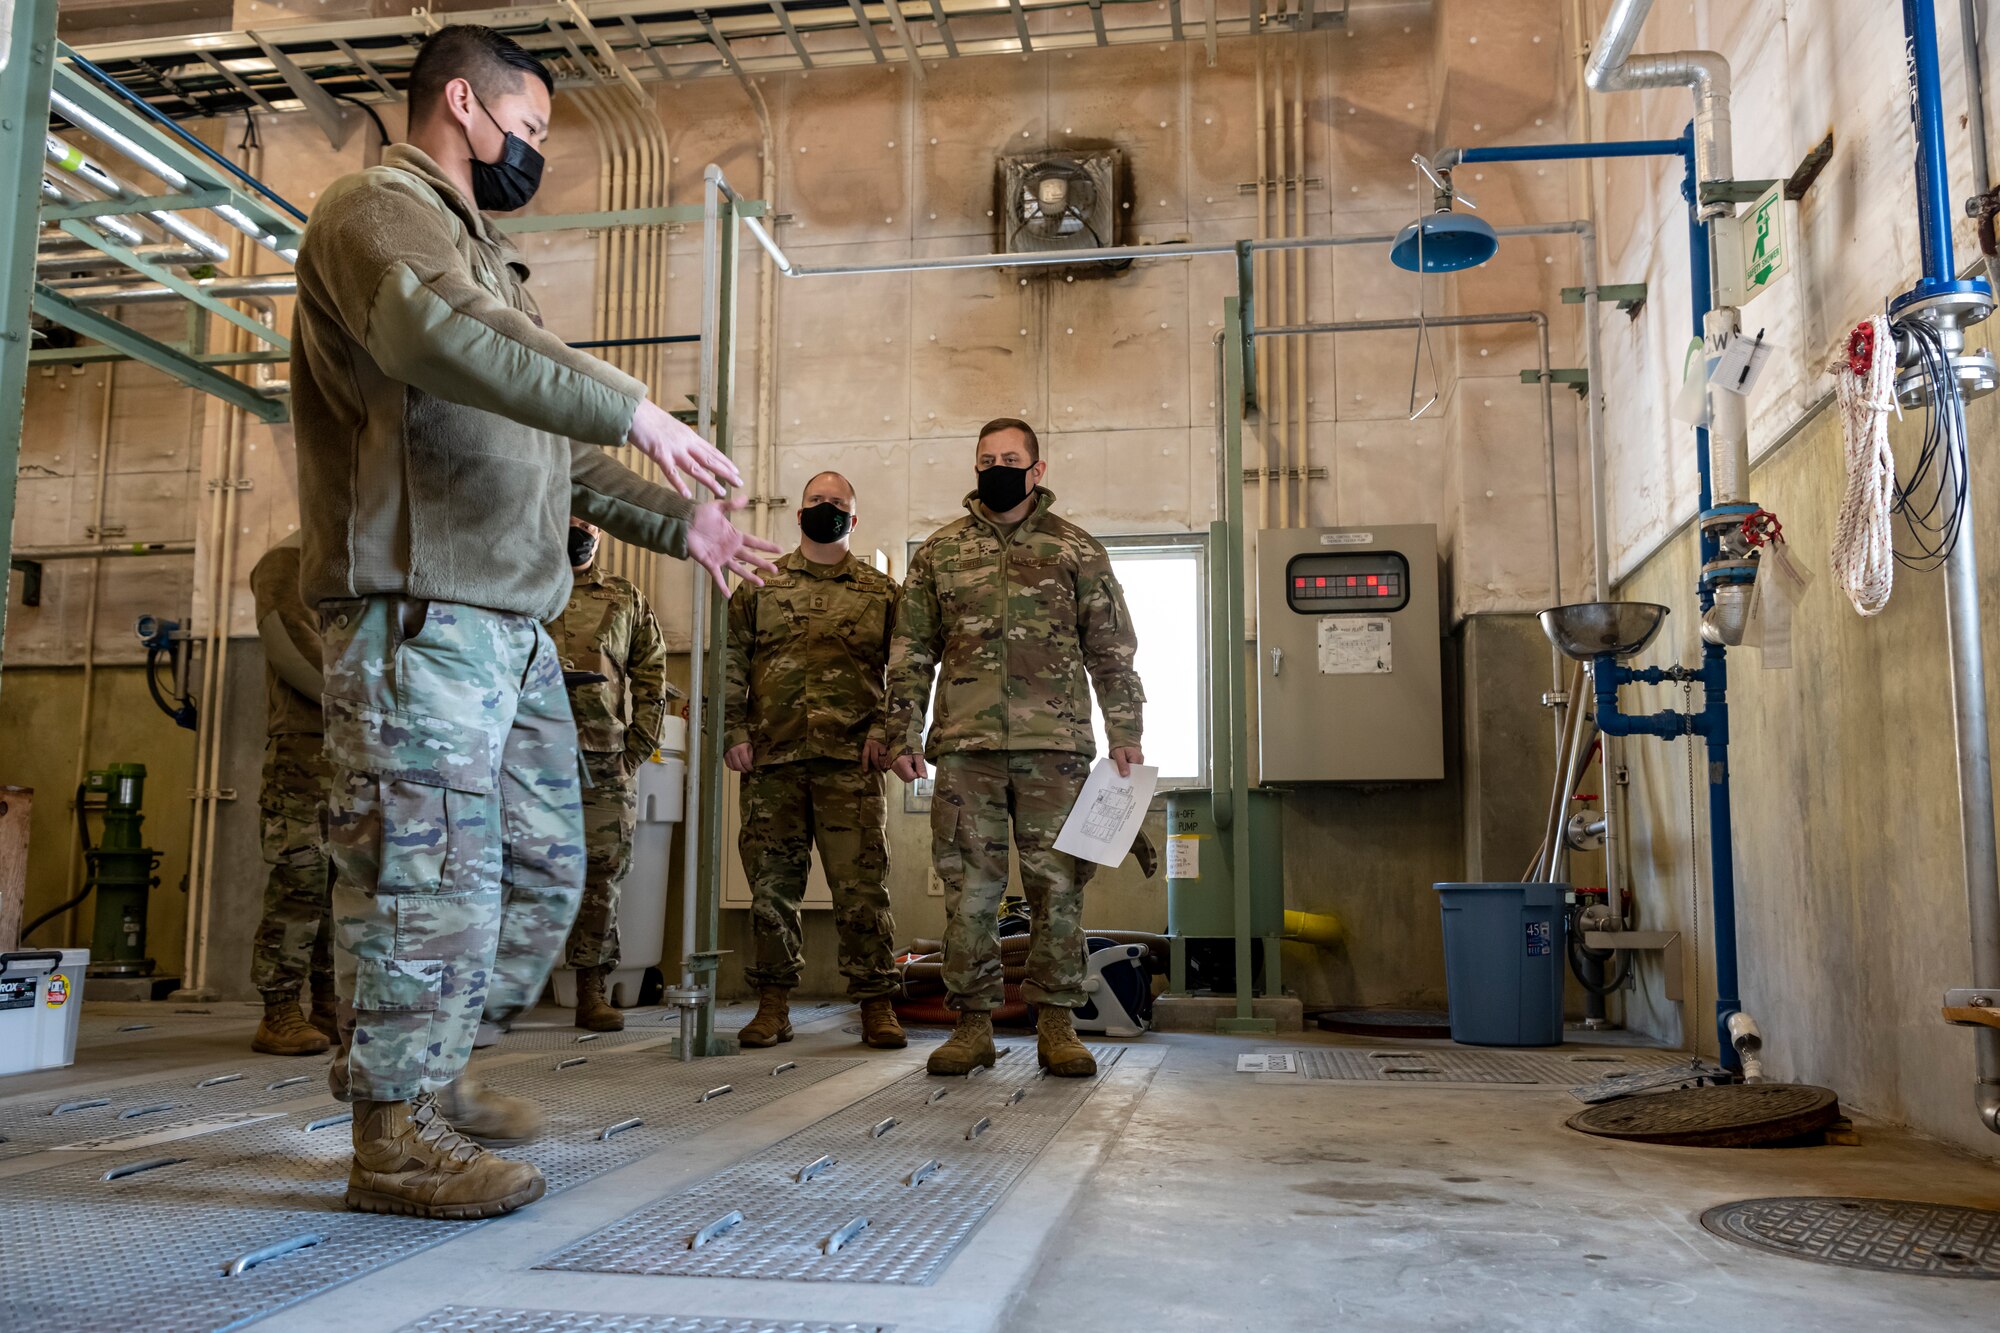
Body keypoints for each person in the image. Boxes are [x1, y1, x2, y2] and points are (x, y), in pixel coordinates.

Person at [290, 23, 779, 1221]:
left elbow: (550, 448)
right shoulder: (376, 212)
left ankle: (430, 1082)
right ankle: (392, 1134)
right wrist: (629, 403)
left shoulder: (486, 264)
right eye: (533, 126)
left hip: (508, 625)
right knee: (425, 874)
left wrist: (682, 526)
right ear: (464, 102)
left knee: (534, 868)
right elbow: (430, 331)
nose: (534, 149)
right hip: (423, 613)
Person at [887, 419, 1145, 1079]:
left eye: (1010, 458)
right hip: (966, 750)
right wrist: (903, 729)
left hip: (1054, 748)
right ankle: (971, 1027)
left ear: (1038, 470)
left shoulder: (1077, 550)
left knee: (1057, 889)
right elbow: (911, 650)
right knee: (969, 893)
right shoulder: (940, 552)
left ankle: (1057, 1025)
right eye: (986, 459)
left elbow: (1111, 650)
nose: (997, 467)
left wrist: (1125, 732)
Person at [724, 472, 904, 1050]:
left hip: (851, 764)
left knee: (862, 889)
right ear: (797, 513)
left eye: (837, 505)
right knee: (771, 890)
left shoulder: (881, 593)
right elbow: (731, 660)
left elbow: (904, 673)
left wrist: (886, 729)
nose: (825, 510)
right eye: (815, 502)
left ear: (854, 519)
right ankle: (772, 1004)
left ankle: (876, 1004)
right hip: (772, 760)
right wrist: (733, 729)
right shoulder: (760, 586)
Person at [550, 519, 675, 1032]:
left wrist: (639, 744)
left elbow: (653, 670)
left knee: (602, 876)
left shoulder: (624, 597)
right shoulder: (523, 587)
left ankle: (591, 991)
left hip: (603, 758)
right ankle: (500, 995)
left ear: (601, 528)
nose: (578, 528)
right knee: (514, 874)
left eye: (587, 520)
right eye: (569, 516)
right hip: (528, 760)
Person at [247, 532, 336, 1057]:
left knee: (348, 881)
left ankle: (328, 1001)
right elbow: (293, 648)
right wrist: (375, 706)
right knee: (302, 875)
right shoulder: (288, 560)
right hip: (306, 746)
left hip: (363, 749)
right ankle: (279, 1008)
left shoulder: (364, 561)